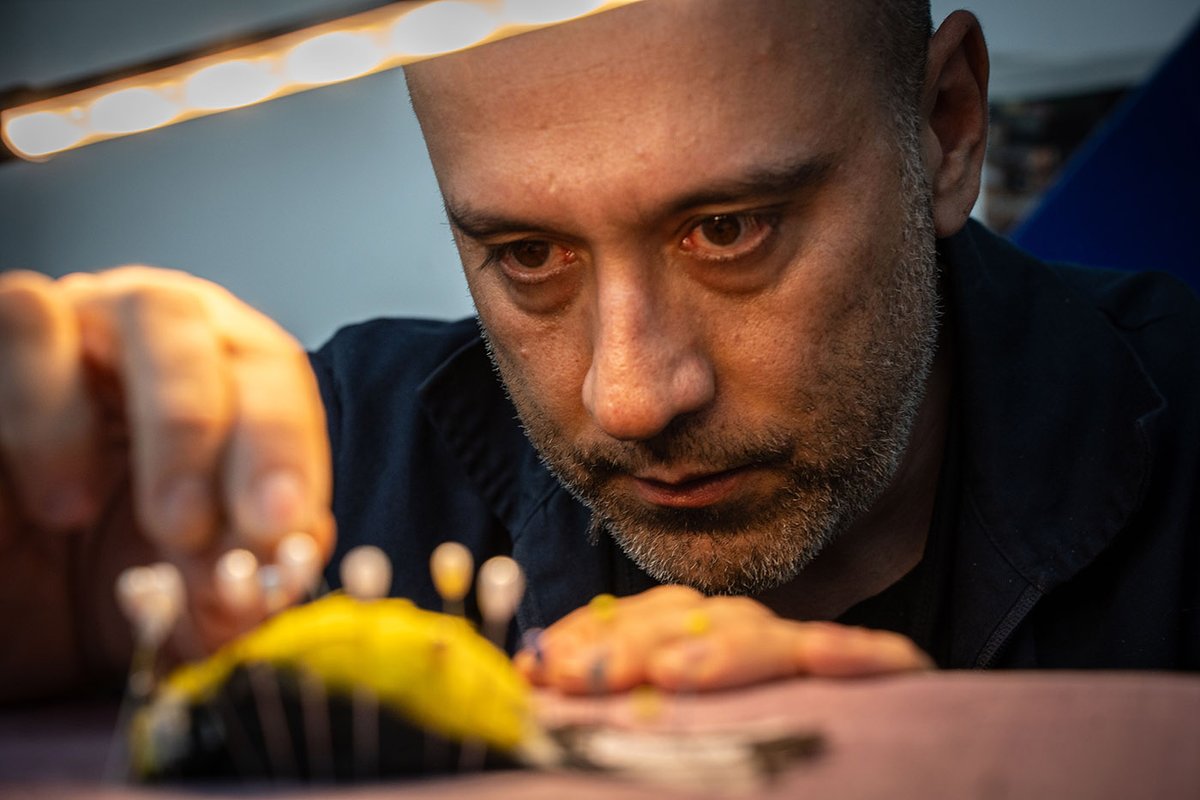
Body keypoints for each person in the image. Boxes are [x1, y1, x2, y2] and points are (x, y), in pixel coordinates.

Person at [0, 0, 1196, 704]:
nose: (628, 395)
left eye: (729, 230)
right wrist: (52, 675)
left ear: (946, 130)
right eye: (528, 255)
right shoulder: (287, 487)